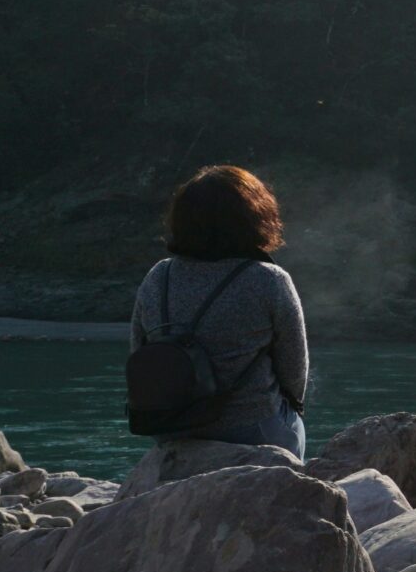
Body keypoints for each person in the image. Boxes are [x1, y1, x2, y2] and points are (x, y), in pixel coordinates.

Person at [130, 164, 310, 456]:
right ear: (255, 218)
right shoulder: (269, 279)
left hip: (170, 427)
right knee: (294, 421)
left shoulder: (158, 276)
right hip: (252, 430)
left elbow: (139, 349)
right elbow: (294, 373)